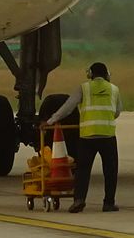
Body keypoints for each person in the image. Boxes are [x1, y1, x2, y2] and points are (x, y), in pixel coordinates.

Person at [43, 61, 121, 213]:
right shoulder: (114, 89)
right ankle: (109, 203)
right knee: (110, 171)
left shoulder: (83, 88)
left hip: (87, 136)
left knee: (83, 170)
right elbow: (117, 112)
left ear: (90, 75)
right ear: (107, 75)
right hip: (108, 136)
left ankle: (79, 200)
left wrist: (51, 120)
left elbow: (68, 107)